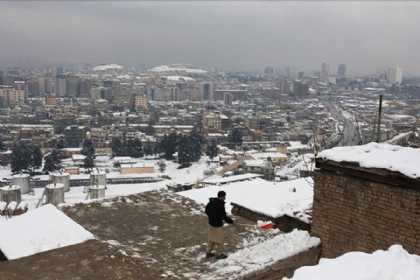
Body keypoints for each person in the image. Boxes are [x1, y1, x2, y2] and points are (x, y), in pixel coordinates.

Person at [205, 190, 234, 259]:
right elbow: (223, 216)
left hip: (211, 224)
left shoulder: (211, 202)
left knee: (211, 239)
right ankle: (218, 254)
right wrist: (231, 221)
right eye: (224, 196)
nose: (225, 198)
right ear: (221, 196)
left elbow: (206, 211)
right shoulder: (220, 205)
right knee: (220, 241)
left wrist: (211, 217)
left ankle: (208, 253)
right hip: (217, 225)